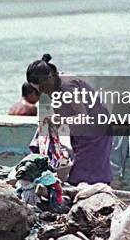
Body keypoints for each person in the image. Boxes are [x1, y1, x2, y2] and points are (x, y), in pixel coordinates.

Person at [26, 53, 112, 185]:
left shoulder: (67, 87)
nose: (42, 92)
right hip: (81, 133)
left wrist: (60, 121)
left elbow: (82, 117)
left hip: (96, 131)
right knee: (83, 174)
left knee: (86, 177)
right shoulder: (55, 84)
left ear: (49, 78)